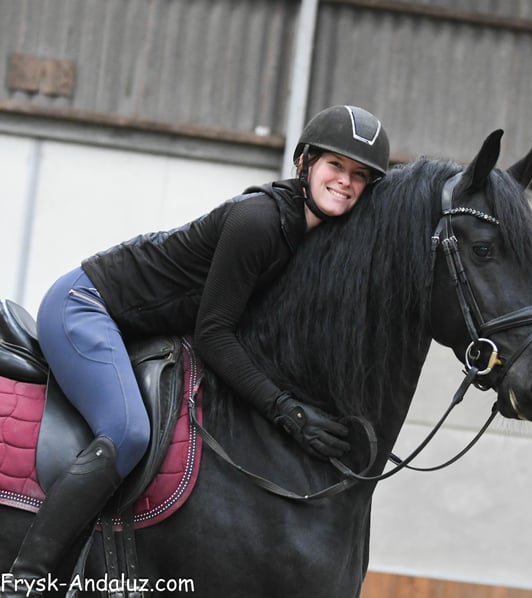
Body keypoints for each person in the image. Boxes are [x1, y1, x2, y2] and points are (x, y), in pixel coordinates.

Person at [0, 105, 390, 598]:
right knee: (127, 432)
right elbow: (214, 335)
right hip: (84, 306)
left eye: (359, 175)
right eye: (336, 165)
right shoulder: (259, 220)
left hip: (135, 325)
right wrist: (287, 411)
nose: (345, 182)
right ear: (306, 162)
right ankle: (26, 578)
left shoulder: (312, 236)